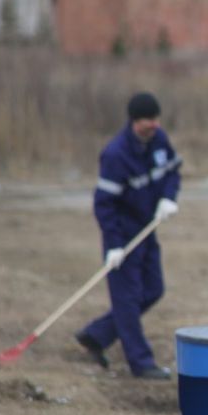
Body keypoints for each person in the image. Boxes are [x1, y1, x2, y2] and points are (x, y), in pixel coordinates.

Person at [75, 92, 182, 380]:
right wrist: (114, 245)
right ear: (135, 121)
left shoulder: (159, 141)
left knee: (154, 289)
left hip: (148, 229)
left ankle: (96, 335)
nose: (154, 124)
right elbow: (104, 204)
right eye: (148, 119)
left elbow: (173, 172)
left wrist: (168, 198)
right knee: (127, 299)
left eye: (156, 118)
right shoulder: (115, 155)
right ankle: (141, 362)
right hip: (123, 235)